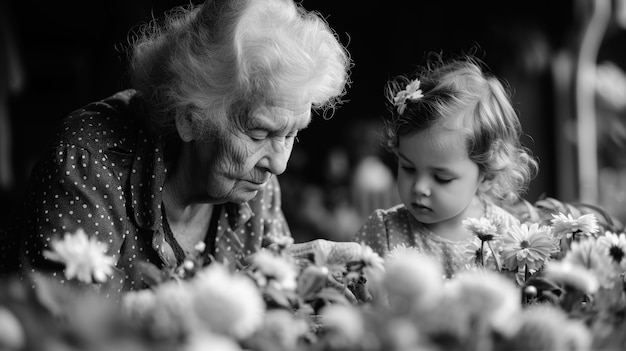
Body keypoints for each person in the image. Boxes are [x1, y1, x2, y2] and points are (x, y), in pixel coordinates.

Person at [0, 0, 350, 291]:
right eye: (259, 134)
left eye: (291, 135)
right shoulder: (90, 157)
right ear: (190, 119)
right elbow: (70, 323)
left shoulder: (254, 182)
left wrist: (307, 292)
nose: (279, 164)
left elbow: (278, 306)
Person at [353, 53, 538, 278]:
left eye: (441, 178)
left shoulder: (506, 234)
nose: (420, 187)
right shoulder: (384, 231)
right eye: (408, 168)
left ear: (487, 176)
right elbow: (357, 295)